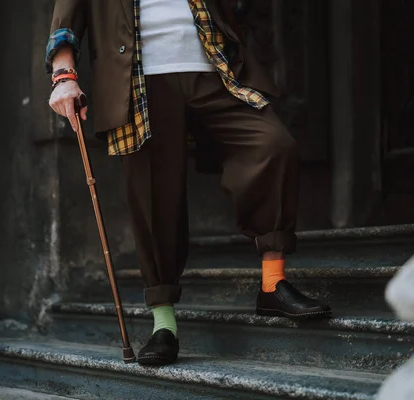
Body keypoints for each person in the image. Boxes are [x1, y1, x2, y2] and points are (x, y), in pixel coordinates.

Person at [46, 0, 331, 366]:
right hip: (137, 79)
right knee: (154, 193)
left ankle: (273, 284)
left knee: (272, 145)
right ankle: (163, 324)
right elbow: (66, 18)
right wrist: (64, 76)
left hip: (215, 68)